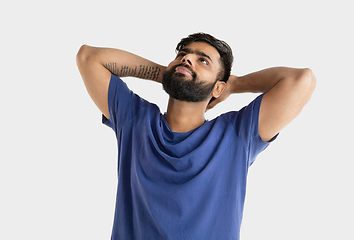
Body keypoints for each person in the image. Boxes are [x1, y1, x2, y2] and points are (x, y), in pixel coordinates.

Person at [76, 33, 316, 240]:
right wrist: (172, 74)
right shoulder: (136, 120)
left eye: (203, 60)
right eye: (183, 54)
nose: (187, 58)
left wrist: (236, 84)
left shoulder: (236, 135)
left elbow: (302, 81)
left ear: (218, 88)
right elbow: (89, 57)